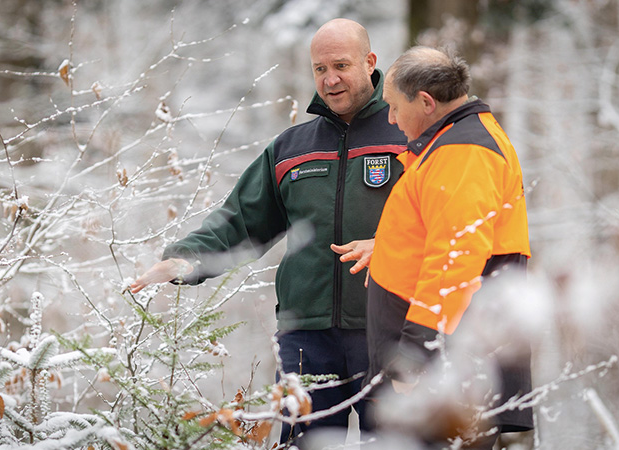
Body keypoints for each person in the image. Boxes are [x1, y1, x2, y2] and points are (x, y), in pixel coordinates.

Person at [130, 19, 406, 446]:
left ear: (370, 62)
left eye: (341, 65)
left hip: (389, 330)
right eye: (319, 69)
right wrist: (186, 257)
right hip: (307, 340)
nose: (329, 80)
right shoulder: (291, 148)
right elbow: (241, 220)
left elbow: (443, 226)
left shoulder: (410, 136)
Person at [363, 46, 533, 448]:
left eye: (392, 106)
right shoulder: (455, 143)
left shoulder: (464, 152)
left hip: (449, 371)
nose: (390, 118)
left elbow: (455, 260)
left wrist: (416, 356)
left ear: (425, 102)